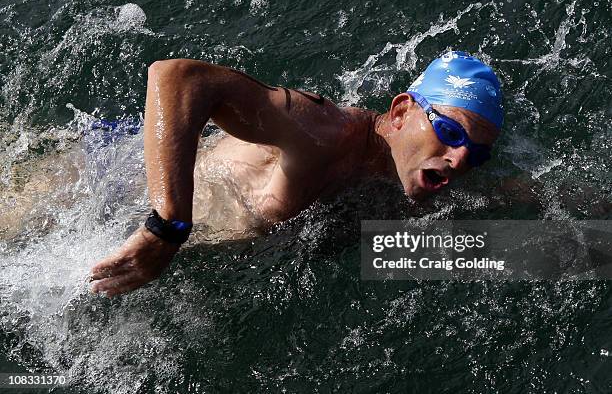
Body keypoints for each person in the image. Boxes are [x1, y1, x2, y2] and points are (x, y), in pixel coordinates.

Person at [89, 51, 503, 297]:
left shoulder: (414, 185)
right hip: (101, 179)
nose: (461, 158)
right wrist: (168, 225)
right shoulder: (325, 131)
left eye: (477, 155)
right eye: (450, 131)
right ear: (399, 112)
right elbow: (178, 77)